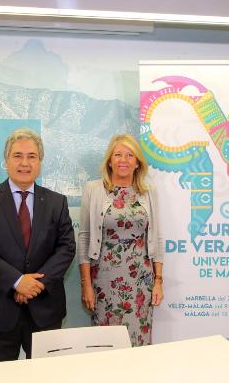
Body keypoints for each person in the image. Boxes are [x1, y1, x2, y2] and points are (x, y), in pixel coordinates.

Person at [0, 128, 76, 362]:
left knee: (46, 378)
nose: (24, 163)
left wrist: (34, 284)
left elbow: (66, 248)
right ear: (6, 161)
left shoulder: (57, 202)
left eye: (32, 156)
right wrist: (17, 282)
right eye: (17, 156)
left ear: (40, 162)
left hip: (46, 309)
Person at [77, 133, 164, 346]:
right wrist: (86, 284)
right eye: (117, 155)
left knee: (138, 341)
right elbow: (85, 238)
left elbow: (157, 237)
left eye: (129, 155)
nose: (123, 160)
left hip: (141, 282)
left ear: (137, 163)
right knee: (106, 344)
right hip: (104, 281)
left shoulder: (149, 192)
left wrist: (158, 281)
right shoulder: (94, 189)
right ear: (109, 161)